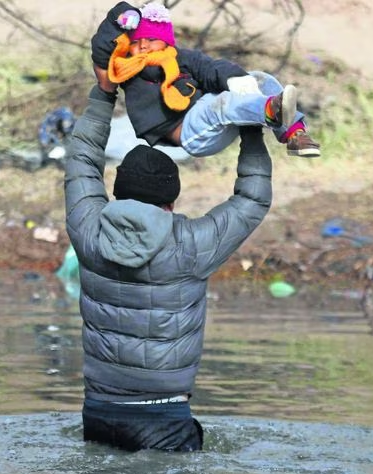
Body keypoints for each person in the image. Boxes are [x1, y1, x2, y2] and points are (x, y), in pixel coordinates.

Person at [64, 46, 273, 452]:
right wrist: (250, 124)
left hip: (98, 414)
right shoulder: (192, 246)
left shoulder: (88, 229)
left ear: (118, 192)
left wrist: (104, 94)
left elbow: (81, 160)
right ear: (171, 202)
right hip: (164, 418)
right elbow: (253, 198)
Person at [93, 1, 320, 158]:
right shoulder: (127, 72)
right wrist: (121, 16)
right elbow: (102, 50)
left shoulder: (180, 58)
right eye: (136, 42)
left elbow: (210, 67)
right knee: (220, 103)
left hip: (216, 119)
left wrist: (235, 79)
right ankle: (270, 111)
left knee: (261, 78)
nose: (143, 45)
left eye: (151, 39)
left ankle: (295, 136)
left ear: (166, 41)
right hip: (194, 135)